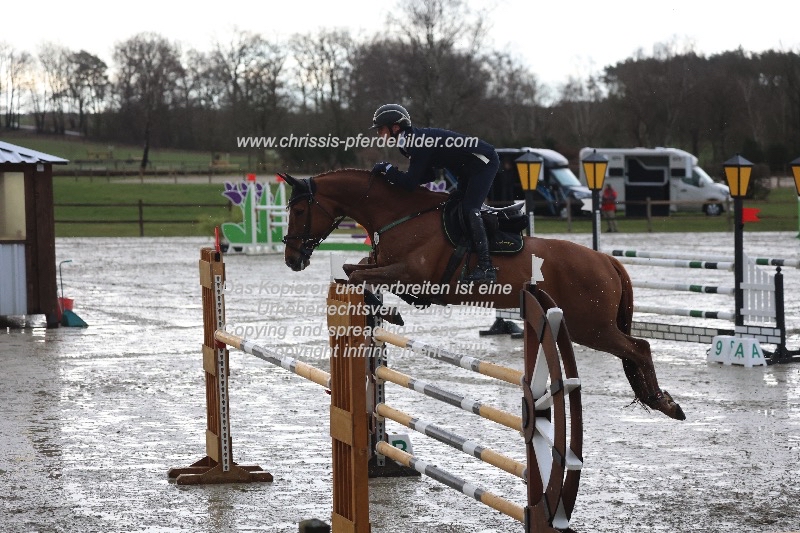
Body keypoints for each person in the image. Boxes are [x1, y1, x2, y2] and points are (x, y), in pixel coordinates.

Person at [369, 103, 500, 284]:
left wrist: (389, 170)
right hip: (465, 168)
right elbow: (428, 175)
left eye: (381, 129)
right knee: (453, 205)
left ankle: (486, 268)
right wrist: (393, 174)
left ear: (395, 127)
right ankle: (463, 255)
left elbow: (409, 184)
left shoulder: (415, 142)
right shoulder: (406, 143)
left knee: (470, 209)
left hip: (483, 162)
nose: (379, 134)